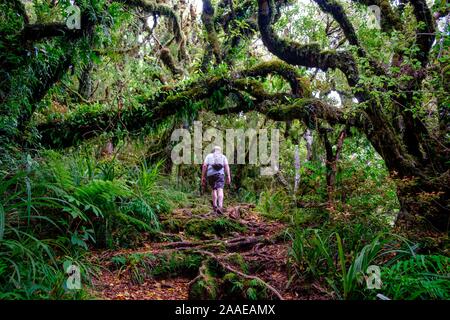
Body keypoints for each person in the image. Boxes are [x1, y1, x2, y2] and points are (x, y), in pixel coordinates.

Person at [201, 146, 231, 214]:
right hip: (220, 174)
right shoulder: (223, 156)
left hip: (210, 175)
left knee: (214, 189)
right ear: (220, 151)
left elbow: (205, 166)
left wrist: (203, 176)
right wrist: (228, 176)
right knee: (220, 189)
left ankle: (214, 206)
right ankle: (220, 206)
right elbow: (226, 166)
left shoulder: (209, 156)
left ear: (213, 150)